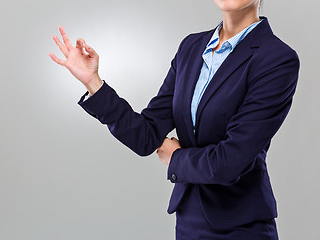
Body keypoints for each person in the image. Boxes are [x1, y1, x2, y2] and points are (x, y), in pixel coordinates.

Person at [49, 0, 300, 239]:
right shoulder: (191, 48)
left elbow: (230, 161)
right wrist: (93, 82)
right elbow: (146, 136)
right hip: (189, 220)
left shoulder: (277, 59)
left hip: (241, 226)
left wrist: (176, 158)